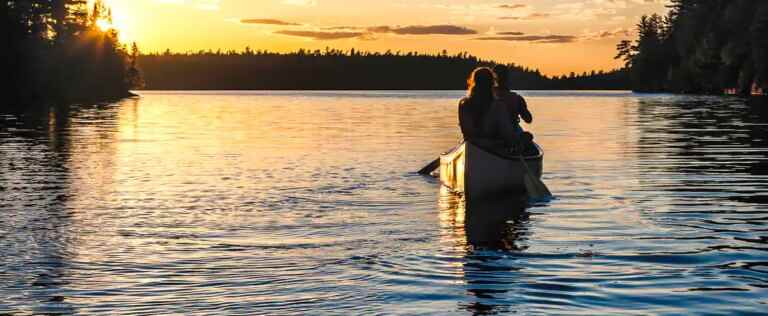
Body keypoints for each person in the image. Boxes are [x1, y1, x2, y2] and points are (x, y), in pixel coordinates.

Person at [458, 67, 520, 149]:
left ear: (474, 83)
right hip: (492, 147)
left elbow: (467, 132)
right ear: (492, 84)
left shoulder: (463, 104)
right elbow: (507, 134)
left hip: (471, 144)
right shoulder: (498, 106)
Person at [492, 64, 535, 152]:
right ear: (507, 79)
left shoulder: (485, 96)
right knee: (528, 137)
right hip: (511, 134)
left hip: (491, 134)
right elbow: (528, 119)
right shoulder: (517, 98)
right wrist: (521, 107)